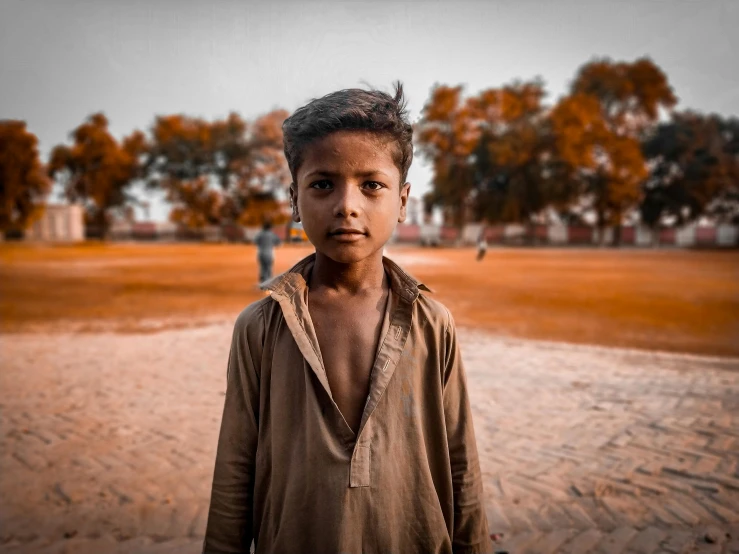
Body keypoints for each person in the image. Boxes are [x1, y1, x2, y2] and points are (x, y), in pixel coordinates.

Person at [203, 84, 491, 554]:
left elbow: (462, 469)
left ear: (401, 199)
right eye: (322, 184)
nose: (347, 205)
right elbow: (234, 474)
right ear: (295, 200)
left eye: (371, 185)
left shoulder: (433, 324)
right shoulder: (259, 327)